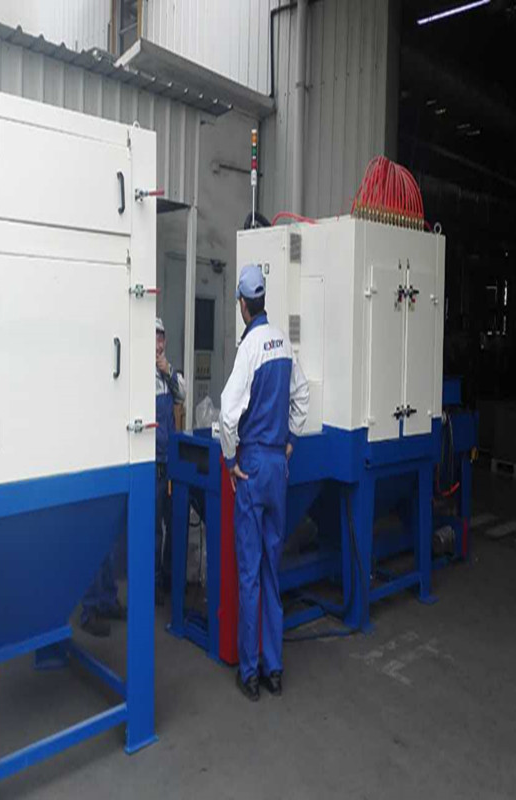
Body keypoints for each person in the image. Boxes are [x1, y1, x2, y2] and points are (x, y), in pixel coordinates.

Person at [219, 264, 309, 702]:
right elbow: (302, 396)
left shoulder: (250, 347)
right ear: (263, 300)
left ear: (242, 304)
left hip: (253, 466)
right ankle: (275, 670)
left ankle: (250, 673)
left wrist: (229, 458)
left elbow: (226, 411)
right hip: (277, 467)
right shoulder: (284, 343)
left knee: (250, 573)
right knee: (273, 569)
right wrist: (290, 440)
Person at [155, 317, 186, 605]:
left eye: (161, 337)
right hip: (152, 463)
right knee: (153, 529)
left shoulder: (168, 373)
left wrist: (169, 372)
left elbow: (182, 395)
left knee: (174, 522)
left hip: (170, 461)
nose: (158, 344)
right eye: (154, 337)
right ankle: (152, 585)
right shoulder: (141, 375)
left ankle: (168, 579)